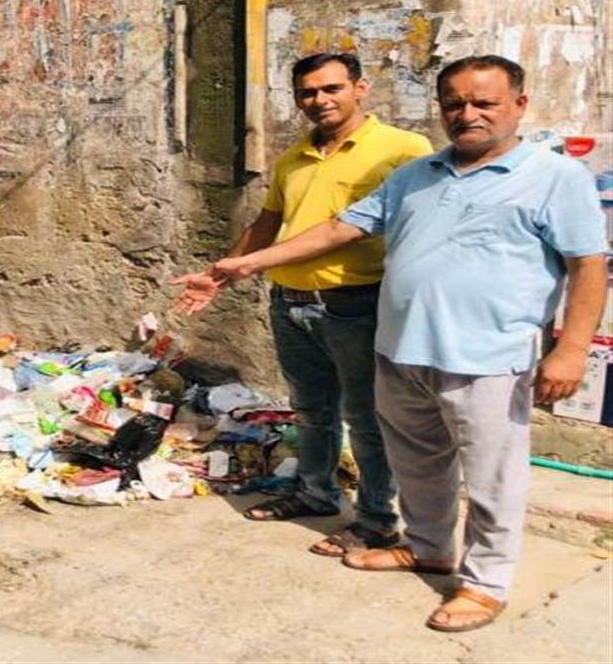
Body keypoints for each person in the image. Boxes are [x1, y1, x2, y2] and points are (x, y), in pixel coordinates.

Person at [178, 55, 607, 632]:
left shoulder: (554, 178)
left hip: (487, 358)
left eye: (484, 103)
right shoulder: (416, 175)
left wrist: (571, 348)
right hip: (400, 348)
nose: (467, 114)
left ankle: (484, 584)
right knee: (418, 466)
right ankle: (428, 546)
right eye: (454, 103)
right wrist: (244, 265)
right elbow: (339, 228)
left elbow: (588, 266)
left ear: (519, 106)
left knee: (491, 478)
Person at [174, 53, 432, 556]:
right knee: (311, 411)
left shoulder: (403, 149)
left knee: (367, 417)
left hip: (356, 303)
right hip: (290, 302)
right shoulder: (294, 157)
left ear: (361, 88)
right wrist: (219, 273)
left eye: (331, 89)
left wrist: (248, 265)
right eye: (308, 93)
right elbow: (268, 223)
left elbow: (352, 229)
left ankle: (378, 519)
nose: (319, 100)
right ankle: (315, 493)